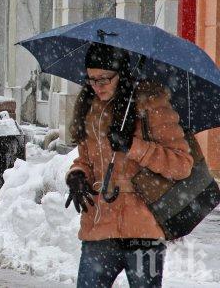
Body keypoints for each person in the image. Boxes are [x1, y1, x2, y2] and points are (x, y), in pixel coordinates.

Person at [65, 43, 194, 288]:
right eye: (91, 80)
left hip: (144, 231)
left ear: (121, 74)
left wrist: (133, 146)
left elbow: (182, 164)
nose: (97, 86)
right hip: (99, 228)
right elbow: (84, 159)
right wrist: (77, 175)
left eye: (104, 79)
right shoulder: (90, 108)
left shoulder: (151, 105)